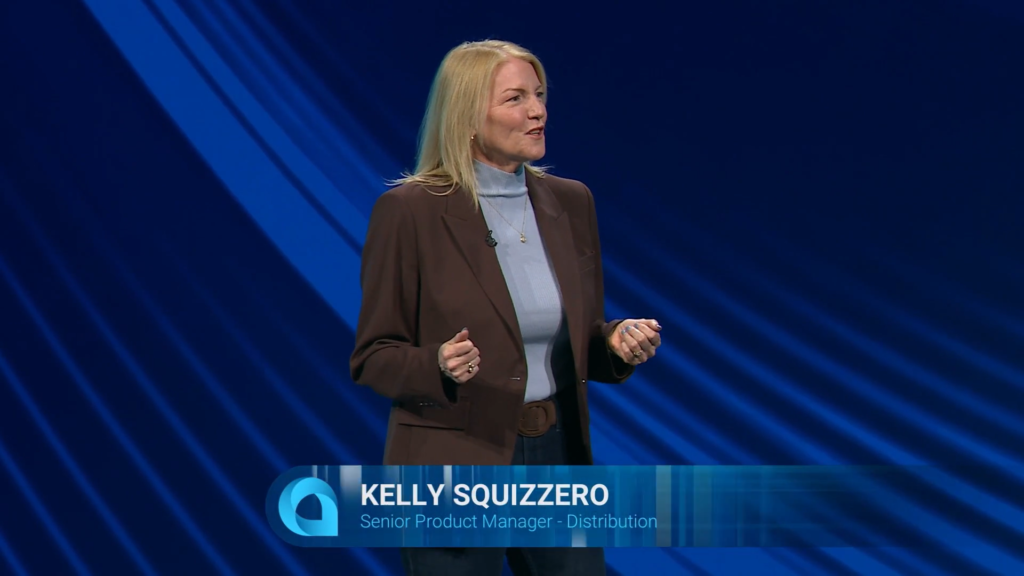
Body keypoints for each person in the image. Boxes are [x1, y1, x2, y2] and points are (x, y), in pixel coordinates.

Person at [350, 39, 662, 576]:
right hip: (455, 463)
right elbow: (373, 356)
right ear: (468, 117)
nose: (538, 111)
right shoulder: (410, 212)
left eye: (539, 95)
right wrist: (437, 364)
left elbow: (578, 338)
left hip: (556, 456)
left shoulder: (571, 202)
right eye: (515, 98)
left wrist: (613, 343)